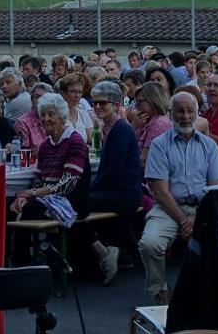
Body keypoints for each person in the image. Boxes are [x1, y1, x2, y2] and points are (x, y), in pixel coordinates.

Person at [139, 91, 218, 304]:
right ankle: (160, 292)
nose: (186, 116)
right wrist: (183, 220)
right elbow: (160, 191)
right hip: (168, 208)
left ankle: (213, 292)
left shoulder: (209, 145)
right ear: (170, 114)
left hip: (203, 208)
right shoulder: (160, 145)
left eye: (190, 111)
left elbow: (215, 189)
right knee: (150, 243)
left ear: (197, 114)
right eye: (180, 111)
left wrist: (199, 217)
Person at [10, 93, 90, 236]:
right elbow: (39, 180)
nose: (46, 119)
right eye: (43, 115)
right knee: (12, 206)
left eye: (51, 114)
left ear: (62, 116)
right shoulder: (45, 145)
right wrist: (25, 197)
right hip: (50, 199)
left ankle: (23, 256)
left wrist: (32, 193)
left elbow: (67, 185)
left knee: (27, 210)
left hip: (72, 201)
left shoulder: (75, 142)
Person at [87, 80, 142, 285]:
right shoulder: (112, 127)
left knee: (72, 205)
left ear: (116, 104)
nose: (98, 107)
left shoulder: (120, 129)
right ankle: (108, 250)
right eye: (95, 103)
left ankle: (102, 251)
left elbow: (112, 172)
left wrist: (89, 190)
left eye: (103, 103)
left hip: (124, 194)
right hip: (120, 191)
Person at [132, 82, 172, 166]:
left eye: (140, 101)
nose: (137, 106)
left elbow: (144, 159)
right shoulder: (146, 121)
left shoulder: (160, 123)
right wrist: (134, 126)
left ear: (153, 100)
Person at [13, 82, 52, 152]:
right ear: (32, 100)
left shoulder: (54, 120)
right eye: (37, 97)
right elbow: (23, 154)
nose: (41, 100)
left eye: (45, 97)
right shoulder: (22, 123)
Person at [56, 73, 94, 144]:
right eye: (73, 91)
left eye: (79, 92)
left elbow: (92, 140)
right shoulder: (55, 115)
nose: (77, 95)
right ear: (62, 93)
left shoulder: (83, 114)